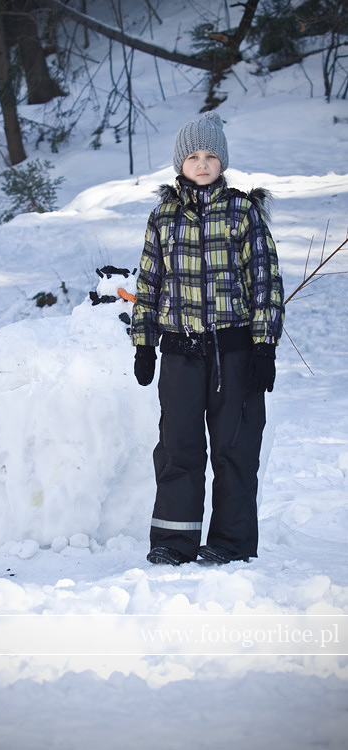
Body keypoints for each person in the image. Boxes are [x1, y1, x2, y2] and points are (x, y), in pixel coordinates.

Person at [131, 111, 284, 566]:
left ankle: (230, 542)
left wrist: (264, 346)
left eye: (211, 156)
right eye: (193, 156)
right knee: (178, 447)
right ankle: (173, 540)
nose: (202, 163)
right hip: (180, 352)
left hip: (234, 352)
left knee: (235, 448)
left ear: (223, 162)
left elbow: (265, 281)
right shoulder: (163, 216)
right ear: (180, 163)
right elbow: (148, 283)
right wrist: (144, 343)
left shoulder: (243, 212)